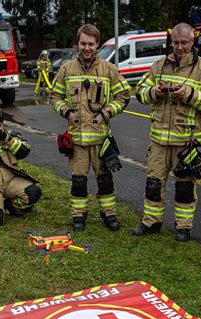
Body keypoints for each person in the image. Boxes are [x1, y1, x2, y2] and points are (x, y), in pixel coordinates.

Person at [132, 23, 201, 241]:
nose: (180, 47)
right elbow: (140, 93)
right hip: (158, 141)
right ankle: (151, 222)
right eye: (176, 42)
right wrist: (155, 91)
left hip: (187, 143)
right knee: (153, 184)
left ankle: (183, 228)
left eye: (184, 42)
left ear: (192, 42)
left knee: (184, 187)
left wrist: (189, 94)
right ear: (171, 42)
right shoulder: (158, 66)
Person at [49, 24, 131, 231]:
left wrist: (106, 113)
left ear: (97, 45)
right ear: (77, 44)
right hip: (76, 140)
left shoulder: (108, 69)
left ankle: (109, 215)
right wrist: (67, 112)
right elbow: (54, 96)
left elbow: (124, 95)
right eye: (83, 43)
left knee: (105, 180)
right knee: (78, 182)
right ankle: (79, 217)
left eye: (91, 44)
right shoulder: (66, 69)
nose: (86, 48)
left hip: (101, 140)